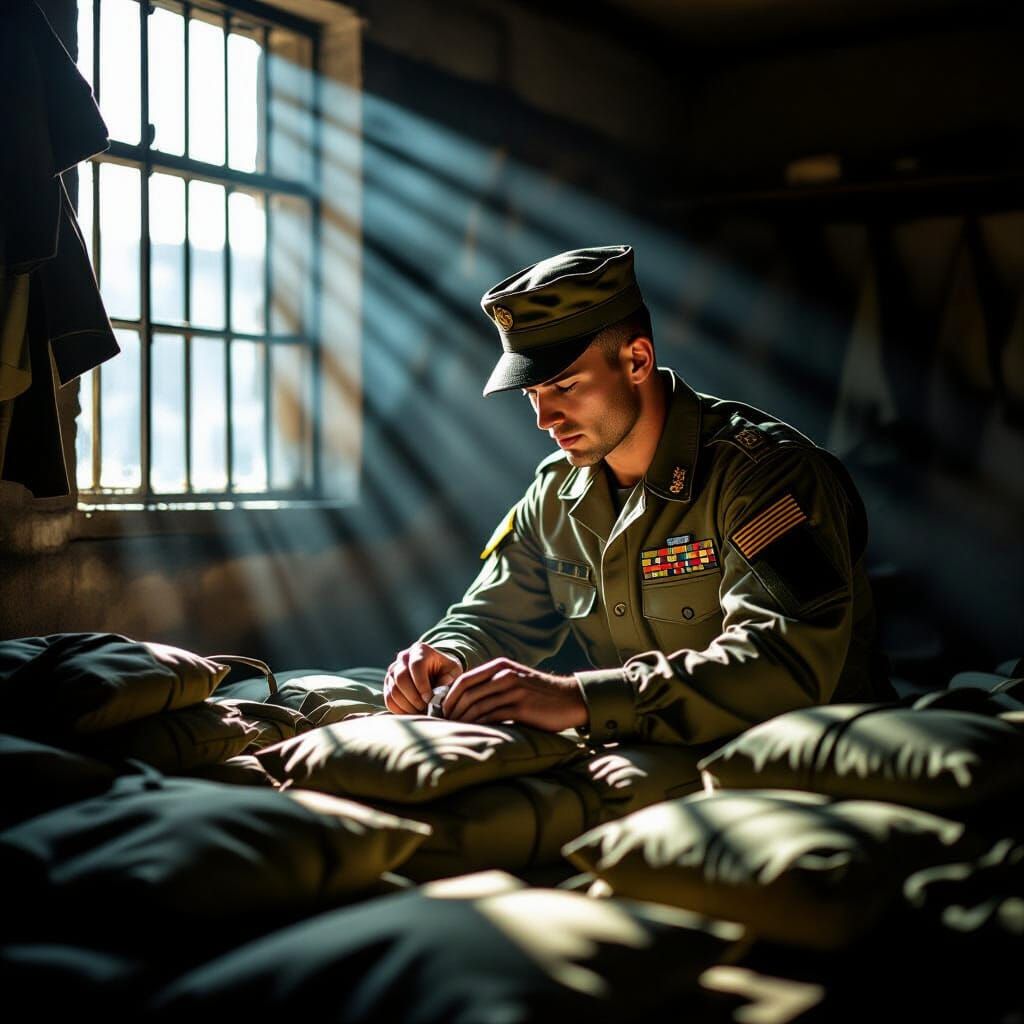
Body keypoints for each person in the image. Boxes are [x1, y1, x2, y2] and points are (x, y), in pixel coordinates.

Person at [384, 244, 895, 747]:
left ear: (637, 359)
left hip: (814, 763)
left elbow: (784, 663)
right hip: (656, 760)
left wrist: (582, 699)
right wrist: (449, 653)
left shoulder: (765, 479)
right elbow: (494, 614)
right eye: (533, 396)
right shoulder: (556, 493)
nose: (545, 419)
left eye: (565, 387)